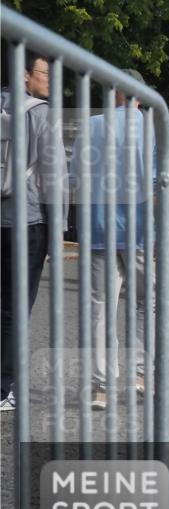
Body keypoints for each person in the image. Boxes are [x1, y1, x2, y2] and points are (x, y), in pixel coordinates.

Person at [69, 69, 152, 410]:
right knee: (145, 303)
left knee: (100, 308)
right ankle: (138, 374)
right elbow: (158, 181)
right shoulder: (151, 126)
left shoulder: (91, 125)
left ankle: (100, 386)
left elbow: (75, 178)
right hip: (139, 228)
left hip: (98, 226)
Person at [0, 52, 65, 411]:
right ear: (24, 76)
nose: (50, 80)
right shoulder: (41, 114)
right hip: (25, 222)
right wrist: (57, 231)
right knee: (13, 308)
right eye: (44, 73)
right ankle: (4, 388)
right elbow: (54, 179)